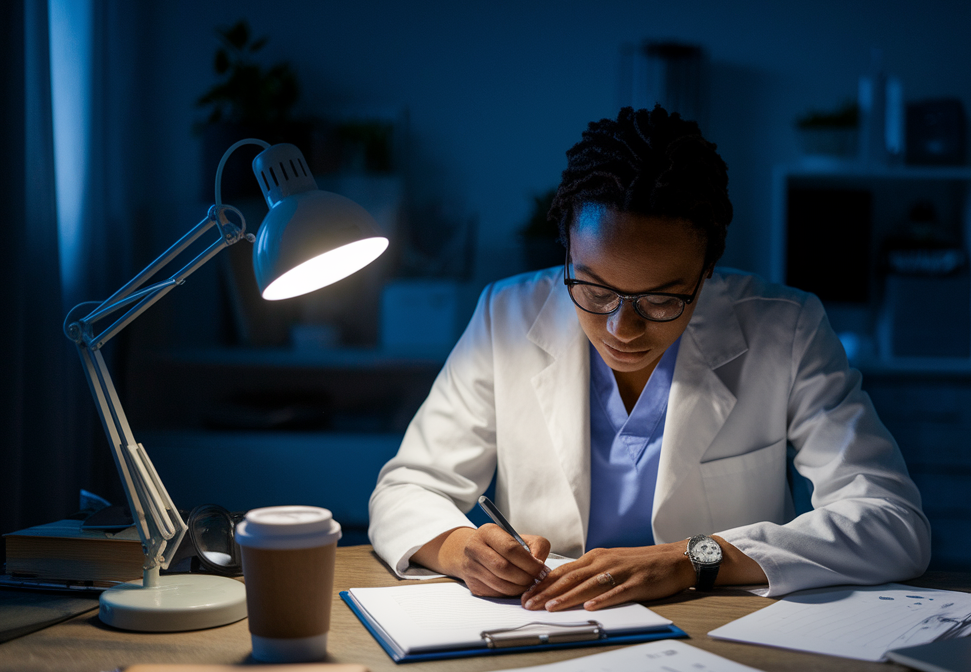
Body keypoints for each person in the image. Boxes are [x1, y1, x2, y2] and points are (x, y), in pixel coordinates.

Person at [369, 105, 929, 612]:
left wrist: (692, 559)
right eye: (594, 290)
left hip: (722, 634)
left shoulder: (786, 328)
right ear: (567, 246)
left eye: (661, 299)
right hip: (548, 625)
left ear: (707, 270)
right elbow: (406, 489)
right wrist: (462, 548)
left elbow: (892, 522)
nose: (622, 328)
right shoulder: (506, 317)